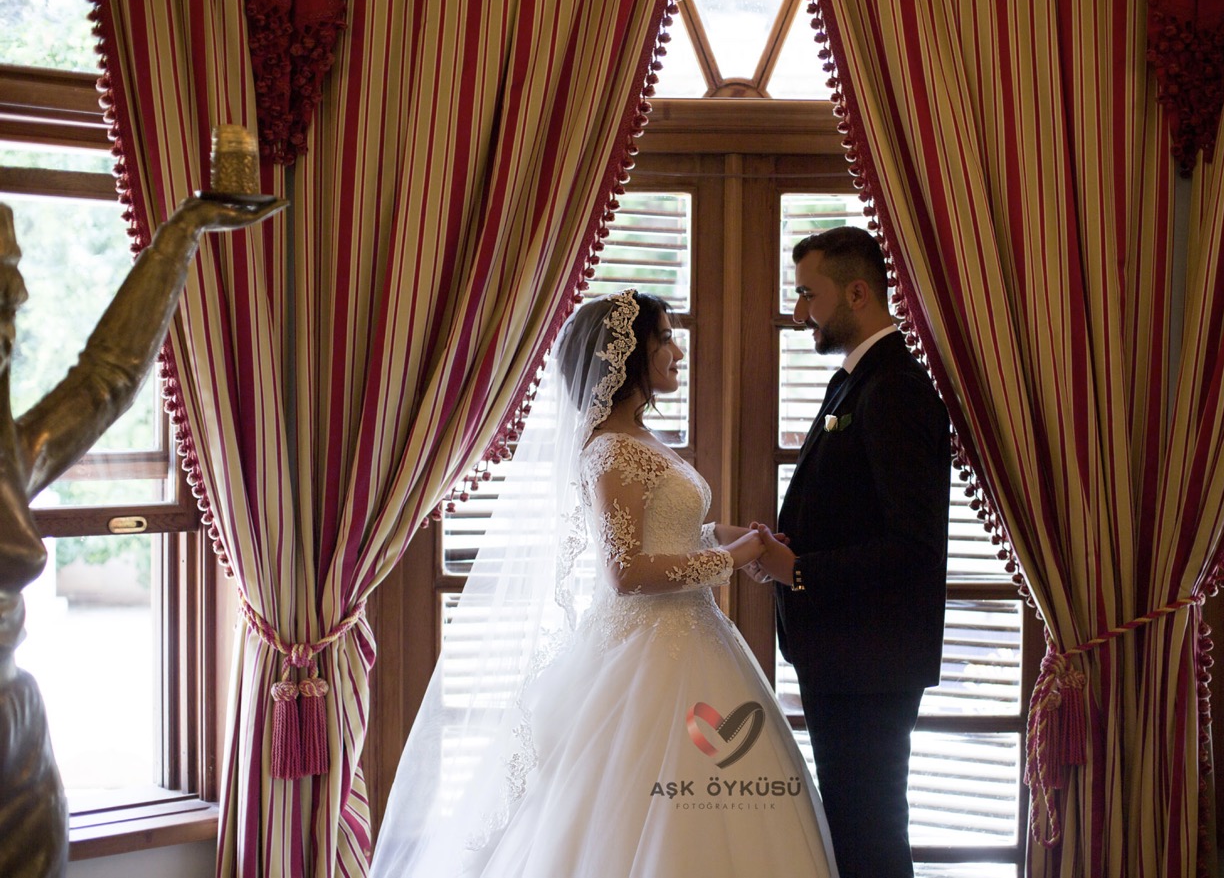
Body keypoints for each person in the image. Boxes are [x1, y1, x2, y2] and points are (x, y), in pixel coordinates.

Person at [372, 289, 837, 877]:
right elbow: (627, 573)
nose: (677, 352)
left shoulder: (640, 438)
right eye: (664, 339)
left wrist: (723, 535)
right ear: (628, 353)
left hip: (695, 635)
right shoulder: (611, 450)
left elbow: (668, 532)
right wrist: (730, 559)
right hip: (645, 650)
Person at [0, 194, 286, 877]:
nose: (21, 298)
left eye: (11, 287)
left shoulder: (8, 453)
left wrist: (181, 235)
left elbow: (108, 379)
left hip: (16, 727)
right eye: (3, 286)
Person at [753, 226, 951, 878]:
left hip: (871, 663)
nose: (798, 312)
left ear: (858, 293)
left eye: (809, 295)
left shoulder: (895, 387)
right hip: (846, 657)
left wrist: (798, 570)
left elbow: (913, 546)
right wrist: (789, 546)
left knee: (869, 836)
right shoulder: (857, 381)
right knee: (851, 829)